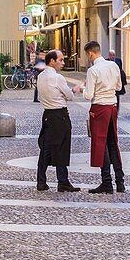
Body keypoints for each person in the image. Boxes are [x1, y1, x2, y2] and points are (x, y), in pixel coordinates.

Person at [74, 40, 125, 194]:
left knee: (101, 144)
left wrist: (82, 88)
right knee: (112, 142)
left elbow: (89, 96)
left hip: (99, 107)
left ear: (90, 53)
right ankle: (120, 181)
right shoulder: (113, 65)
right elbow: (119, 87)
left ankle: (106, 182)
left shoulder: (93, 70)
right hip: (112, 106)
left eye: (87, 55)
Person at [35, 50, 80, 192]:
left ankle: (41, 181)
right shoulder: (58, 78)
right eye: (60, 60)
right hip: (60, 116)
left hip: (47, 115)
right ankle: (63, 181)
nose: (63, 62)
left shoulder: (41, 76)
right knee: (61, 147)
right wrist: (74, 90)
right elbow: (69, 96)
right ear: (52, 61)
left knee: (46, 149)